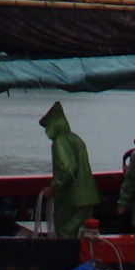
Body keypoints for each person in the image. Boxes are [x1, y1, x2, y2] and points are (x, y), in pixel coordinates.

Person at [40, 101, 101, 239]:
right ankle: (83, 259)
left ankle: (67, 260)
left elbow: (68, 169)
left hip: (72, 199)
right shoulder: (75, 138)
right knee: (84, 236)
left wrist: (53, 187)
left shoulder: (60, 141)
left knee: (66, 234)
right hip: (87, 196)